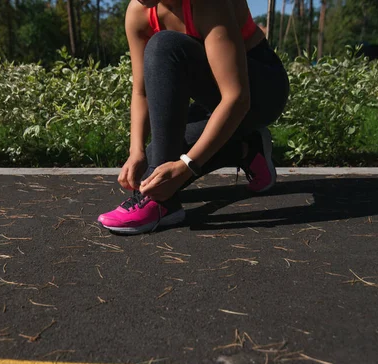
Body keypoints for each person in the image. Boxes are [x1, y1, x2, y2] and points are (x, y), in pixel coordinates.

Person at [98, 0, 290, 234]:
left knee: (164, 45)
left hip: (261, 93)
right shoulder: (139, 11)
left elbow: (237, 98)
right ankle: (247, 147)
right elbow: (143, 92)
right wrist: (135, 151)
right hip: (214, 103)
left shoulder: (208, 4)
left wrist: (187, 166)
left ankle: (162, 205)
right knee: (152, 166)